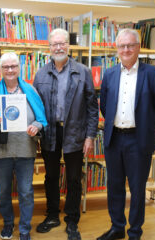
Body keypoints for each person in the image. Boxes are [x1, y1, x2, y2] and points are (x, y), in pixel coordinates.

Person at [97, 28, 155, 240]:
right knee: (114, 186)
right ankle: (117, 227)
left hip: (139, 141)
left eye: (130, 45)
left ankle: (135, 232)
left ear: (138, 47)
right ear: (117, 49)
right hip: (114, 139)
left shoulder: (153, 74)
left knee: (137, 190)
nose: (126, 49)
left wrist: (145, 128)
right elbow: (105, 106)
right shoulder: (109, 74)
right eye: (122, 46)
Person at [33, 28, 99, 240]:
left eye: (62, 43)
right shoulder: (41, 73)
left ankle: (72, 220)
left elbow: (92, 107)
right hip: (50, 132)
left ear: (68, 46)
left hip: (75, 131)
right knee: (51, 176)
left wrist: (90, 136)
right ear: (49, 47)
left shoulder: (83, 71)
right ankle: (52, 215)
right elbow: (34, 106)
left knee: (73, 178)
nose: (59, 47)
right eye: (55, 44)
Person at [0, 52, 47, 240]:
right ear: (0, 69)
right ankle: (8, 224)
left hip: (25, 150)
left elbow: (42, 118)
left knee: (26, 192)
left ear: (19, 68)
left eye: (13, 66)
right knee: (3, 192)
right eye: (6, 67)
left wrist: (36, 126)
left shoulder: (30, 91)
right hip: (1, 151)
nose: (10, 70)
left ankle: (24, 229)